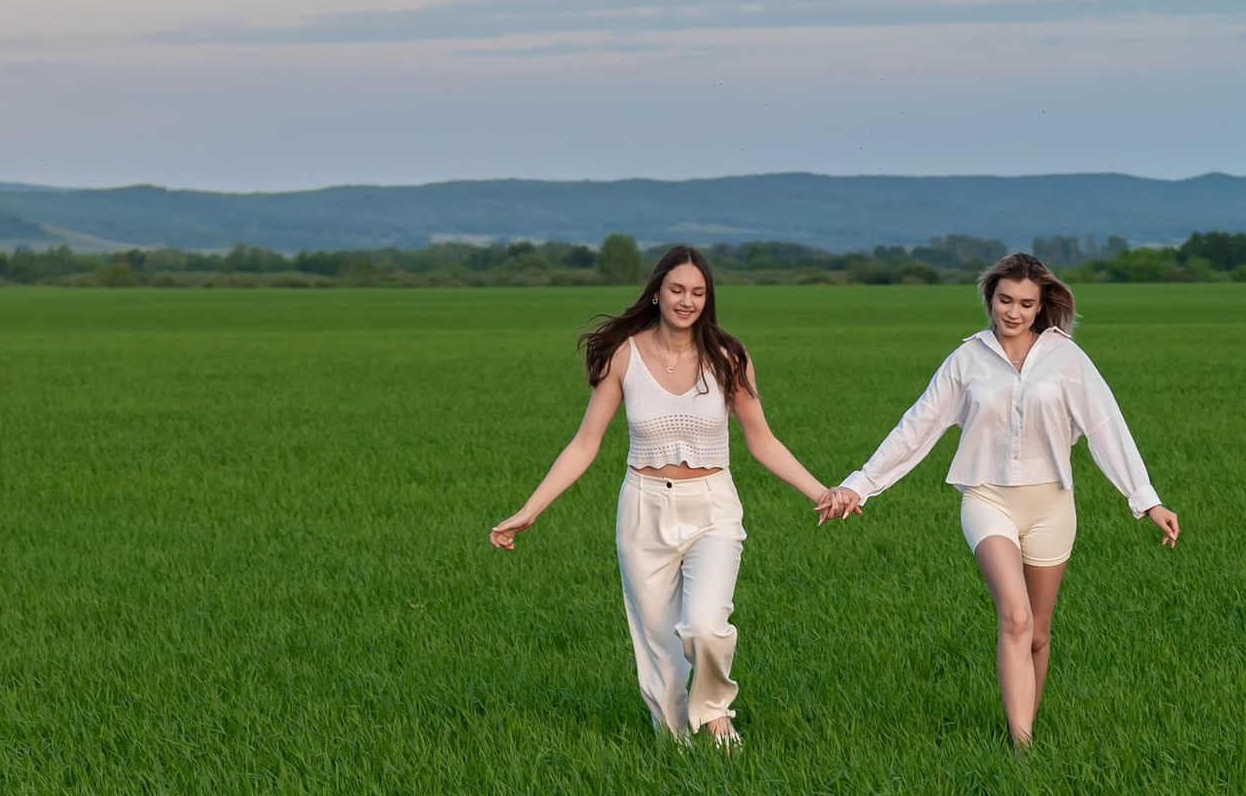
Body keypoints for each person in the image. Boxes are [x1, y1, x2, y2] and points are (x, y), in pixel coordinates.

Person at [817, 252, 1177, 743]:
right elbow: (916, 428)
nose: (1013, 312)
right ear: (990, 298)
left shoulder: (1066, 358)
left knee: (1039, 632)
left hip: (1052, 504)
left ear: (1040, 306)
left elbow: (1105, 426)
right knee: (1015, 614)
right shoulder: (966, 359)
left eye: (1025, 304)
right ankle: (1022, 747)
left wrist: (1146, 499)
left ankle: (1027, 725)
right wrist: (859, 484)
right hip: (987, 499)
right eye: (1004, 299)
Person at [490, 244, 832, 743]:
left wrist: (820, 491)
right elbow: (585, 444)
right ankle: (679, 750)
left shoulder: (728, 356)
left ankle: (716, 713)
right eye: (676, 289)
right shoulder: (624, 356)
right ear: (656, 293)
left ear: (707, 298)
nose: (686, 300)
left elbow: (762, 439)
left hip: (712, 507)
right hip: (643, 509)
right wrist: (529, 510)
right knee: (658, 651)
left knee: (705, 626)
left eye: (697, 292)